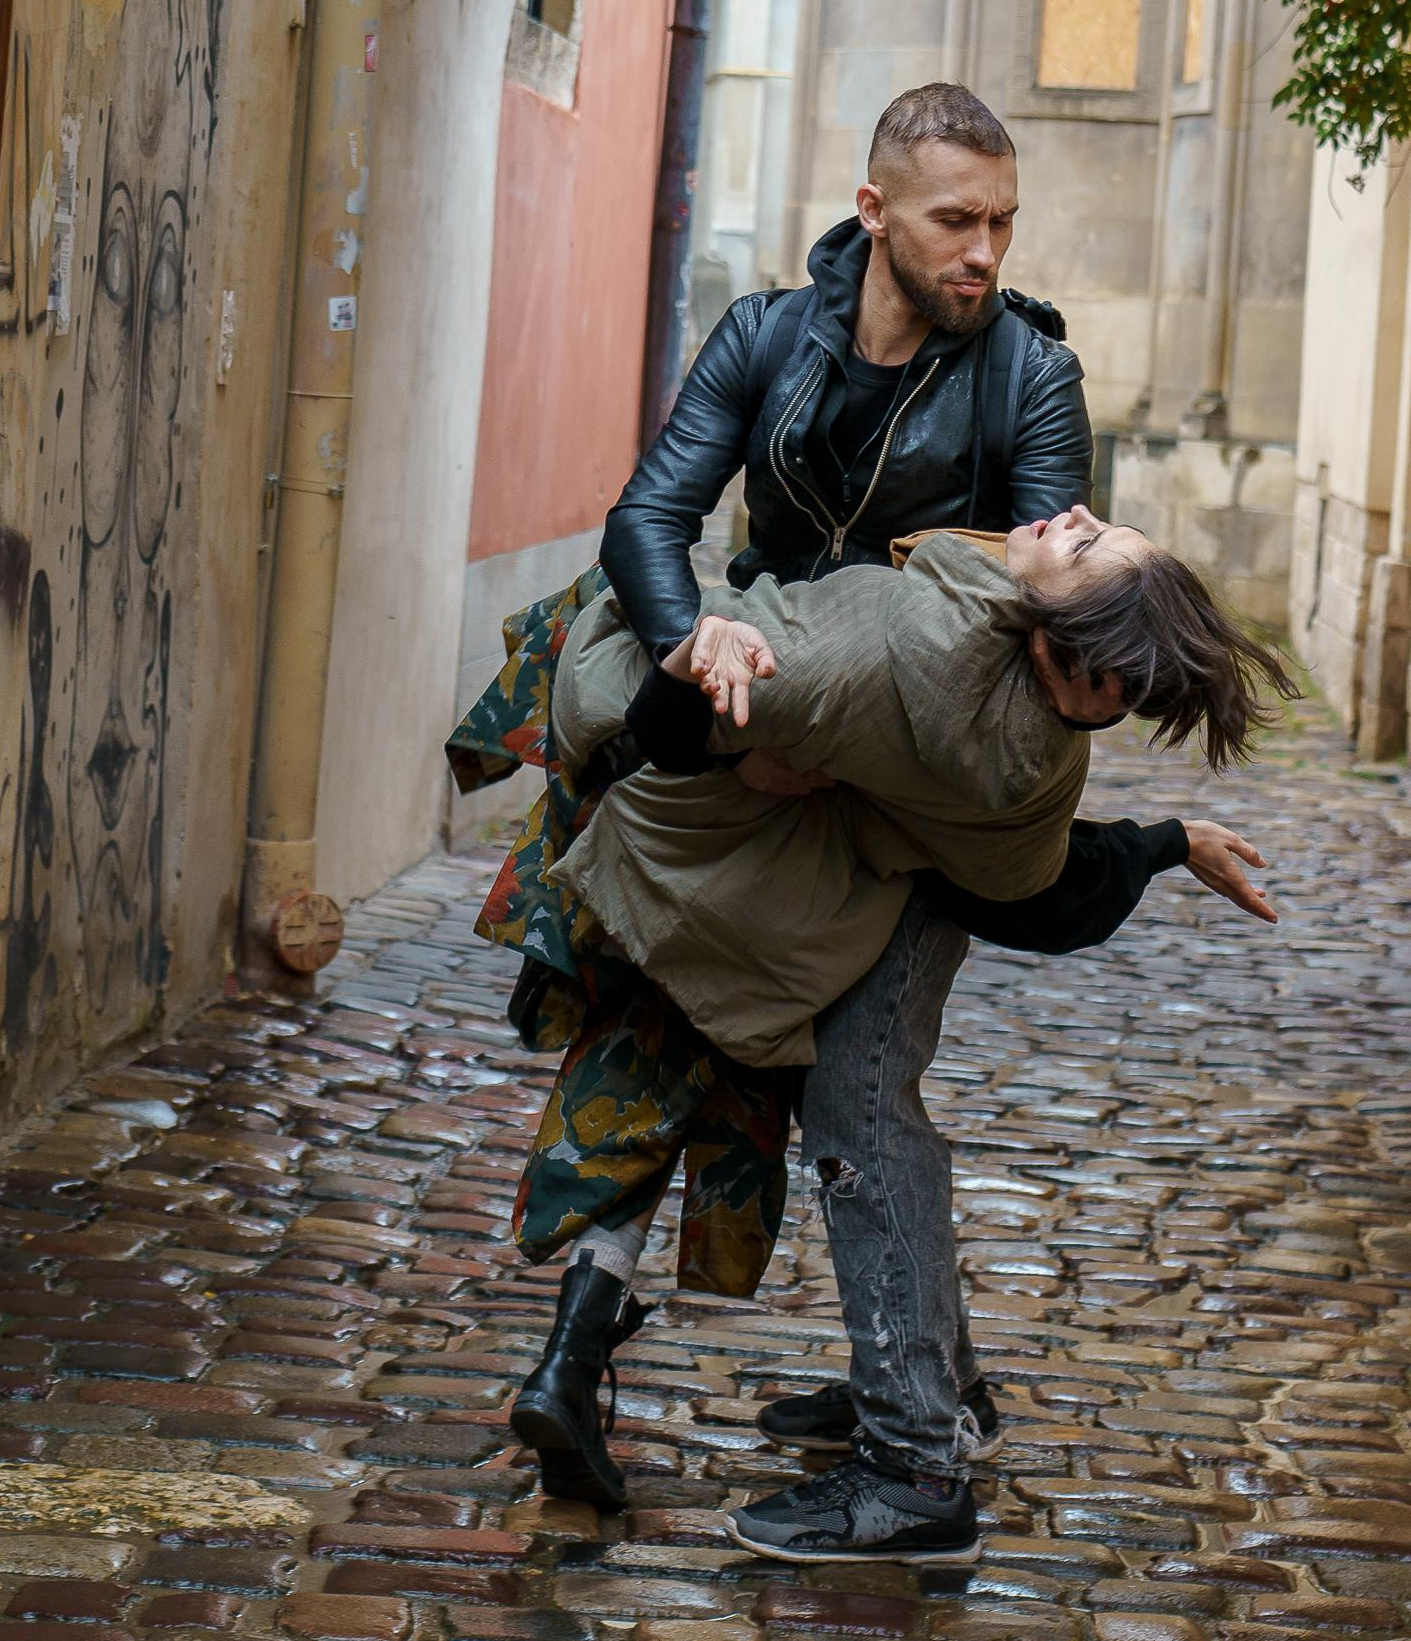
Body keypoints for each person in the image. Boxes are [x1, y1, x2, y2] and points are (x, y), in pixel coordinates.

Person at [502, 507, 1291, 1554]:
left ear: (1082, 667)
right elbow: (1036, 890)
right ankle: (932, 1392)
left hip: (728, 818)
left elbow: (628, 715)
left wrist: (704, 671)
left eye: (1094, 547)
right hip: (803, 839)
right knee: (827, 1107)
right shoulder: (1031, 737)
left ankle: (915, 1463)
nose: (1079, 514)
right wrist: (1161, 841)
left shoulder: (879, 645)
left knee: (855, 1118)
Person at [600, 80, 1093, 659]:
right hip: (758, 664)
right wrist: (694, 647)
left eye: (1001, 221)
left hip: (919, 688)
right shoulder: (762, 332)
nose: (984, 252)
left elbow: (1054, 596)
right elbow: (648, 516)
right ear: (875, 210)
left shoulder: (1035, 376)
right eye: (954, 221)